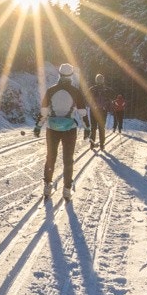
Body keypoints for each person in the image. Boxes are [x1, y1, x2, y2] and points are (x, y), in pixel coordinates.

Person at [41, 62, 86, 201]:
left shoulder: (51, 90)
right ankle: (67, 190)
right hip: (69, 129)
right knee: (68, 159)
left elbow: (44, 111)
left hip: (52, 128)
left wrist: (38, 126)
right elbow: (82, 113)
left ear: (59, 74)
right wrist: (88, 128)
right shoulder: (76, 92)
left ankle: (47, 186)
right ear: (71, 75)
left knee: (51, 157)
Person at [87, 73, 107, 152]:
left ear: (96, 80)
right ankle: (102, 145)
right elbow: (110, 99)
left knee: (93, 128)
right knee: (102, 128)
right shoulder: (106, 89)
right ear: (103, 80)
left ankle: (92, 144)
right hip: (103, 111)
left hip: (93, 111)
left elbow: (87, 98)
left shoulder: (92, 88)